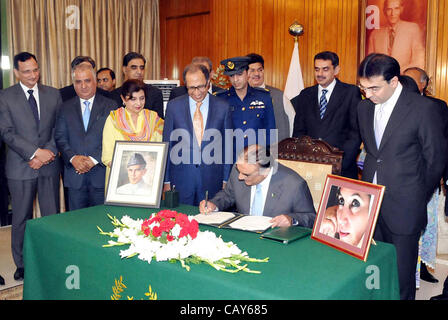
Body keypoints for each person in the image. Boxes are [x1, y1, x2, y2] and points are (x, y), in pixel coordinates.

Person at [357, 53, 446, 300]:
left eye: (374, 87)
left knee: (401, 273)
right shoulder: (363, 107)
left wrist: (417, 194)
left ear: (394, 81)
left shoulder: (423, 108)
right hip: (370, 203)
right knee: (373, 268)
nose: (367, 94)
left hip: (405, 205)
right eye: (362, 87)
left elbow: (435, 158)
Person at [0, 52, 62, 281]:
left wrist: (47, 153)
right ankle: (22, 264)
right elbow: (6, 132)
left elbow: (59, 128)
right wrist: (35, 153)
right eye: (26, 71)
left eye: (35, 69)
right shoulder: (5, 97)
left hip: (49, 165)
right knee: (21, 218)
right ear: (16, 72)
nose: (32, 75)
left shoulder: (53, 94)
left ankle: (52, 257)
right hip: (20, 166)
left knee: (51, 216)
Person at [163, 63, 233, 205]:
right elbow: (167, 145)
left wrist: (226, 180)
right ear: (185, 85)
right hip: (181, 180)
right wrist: (166, 180)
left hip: (212, 180)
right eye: (191, 88)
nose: (197, 92)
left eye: (201, 86)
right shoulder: (173, 107)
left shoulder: (223, 107)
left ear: (208, 82)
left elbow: (228, 147)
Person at [402, 68, 448, 284]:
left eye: (411, 79)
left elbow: (440, 145)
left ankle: (422, 268)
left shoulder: (437, 106)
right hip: (401, 179)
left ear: (423, 84)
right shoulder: (394, 104)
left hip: (426, 178)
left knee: (426, 225)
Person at [199, 144, 316, 228]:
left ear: (265, 171)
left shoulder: (294, 185)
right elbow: (228, 195)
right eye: (239, 171)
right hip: (243, 234)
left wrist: (292, 220)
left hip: (275, 242)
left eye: (246, 174)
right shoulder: (240, 170)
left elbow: (311, 217)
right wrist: (214, 204)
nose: (240, 177)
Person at [55, 62, 116, 211]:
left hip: (101, 175)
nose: (83, 86)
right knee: (76, 224)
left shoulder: (111, 106)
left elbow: (114, 139)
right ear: (73, 84)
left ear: (95, 81)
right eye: (78, 82)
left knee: (103, 221)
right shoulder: (65, 107)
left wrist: (93, 159)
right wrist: (73, 158)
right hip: (75, 176)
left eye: (87, 80)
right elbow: (60, 137)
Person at [291, 51, 362, 179]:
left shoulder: (351, 92)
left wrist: (340, 162)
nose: (320, 74)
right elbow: (299, 131)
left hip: (341, 167)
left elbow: (355, 133)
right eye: (317, 69)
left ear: (336, 70)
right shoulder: (305, 95)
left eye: (325, 69)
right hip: (310, 166)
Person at [102, 79, 164, 183]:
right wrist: (127, 173)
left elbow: (160, 149)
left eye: (142, 98)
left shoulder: (153, 118)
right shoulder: (114, 119)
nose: (138, 103)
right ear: (123, 99)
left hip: (147, 179)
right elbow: (107, 156)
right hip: (119, 179)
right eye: (133, 99)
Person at [216, 56, 276, 153]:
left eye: (239, 74)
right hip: (230, 158)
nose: (235, 80)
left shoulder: (263, 97)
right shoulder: (220, 99)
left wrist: (269, 158)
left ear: (248, 73)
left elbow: (271, 132)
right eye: (231, 76)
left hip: (256, 157)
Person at [367, 0, 425, 72]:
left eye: (396, 9)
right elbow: (370, 64)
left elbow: (419, 61)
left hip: (404, 79)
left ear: (401, 9)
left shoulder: (413, 29)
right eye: (389, 9)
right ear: (384, 10)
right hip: (381, 81)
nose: (392, 13)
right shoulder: (375, 34)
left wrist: (397, 73)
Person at [246, 53, 291, 142]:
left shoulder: (279, 96)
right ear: (245, 72)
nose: (257, 74)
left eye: (260, 70)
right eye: (252, 70)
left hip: (275, 152)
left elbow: (293, 121)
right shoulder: (240, 97)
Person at [111, 52, 164, 119]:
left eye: (142, 68)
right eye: (134, 68)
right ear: (124, 70)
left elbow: (158, 124)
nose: (139, 72)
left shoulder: (155, 93)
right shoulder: (114, 96)